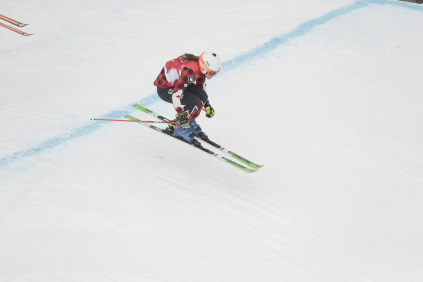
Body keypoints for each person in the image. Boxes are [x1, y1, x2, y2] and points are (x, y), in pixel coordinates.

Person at [154, 51, 222, 146]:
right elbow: (176, 95)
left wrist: (206, 104)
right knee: (194, 101)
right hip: (165, 89)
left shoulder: (201, 65)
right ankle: (178, 128)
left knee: (203, 97)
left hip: (177, 83)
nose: (212, 75)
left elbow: (201, 87)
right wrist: (181, 115)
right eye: (212, 73)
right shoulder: (190, 71)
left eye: (215, 73)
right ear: (204, 67)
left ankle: (190, 120)